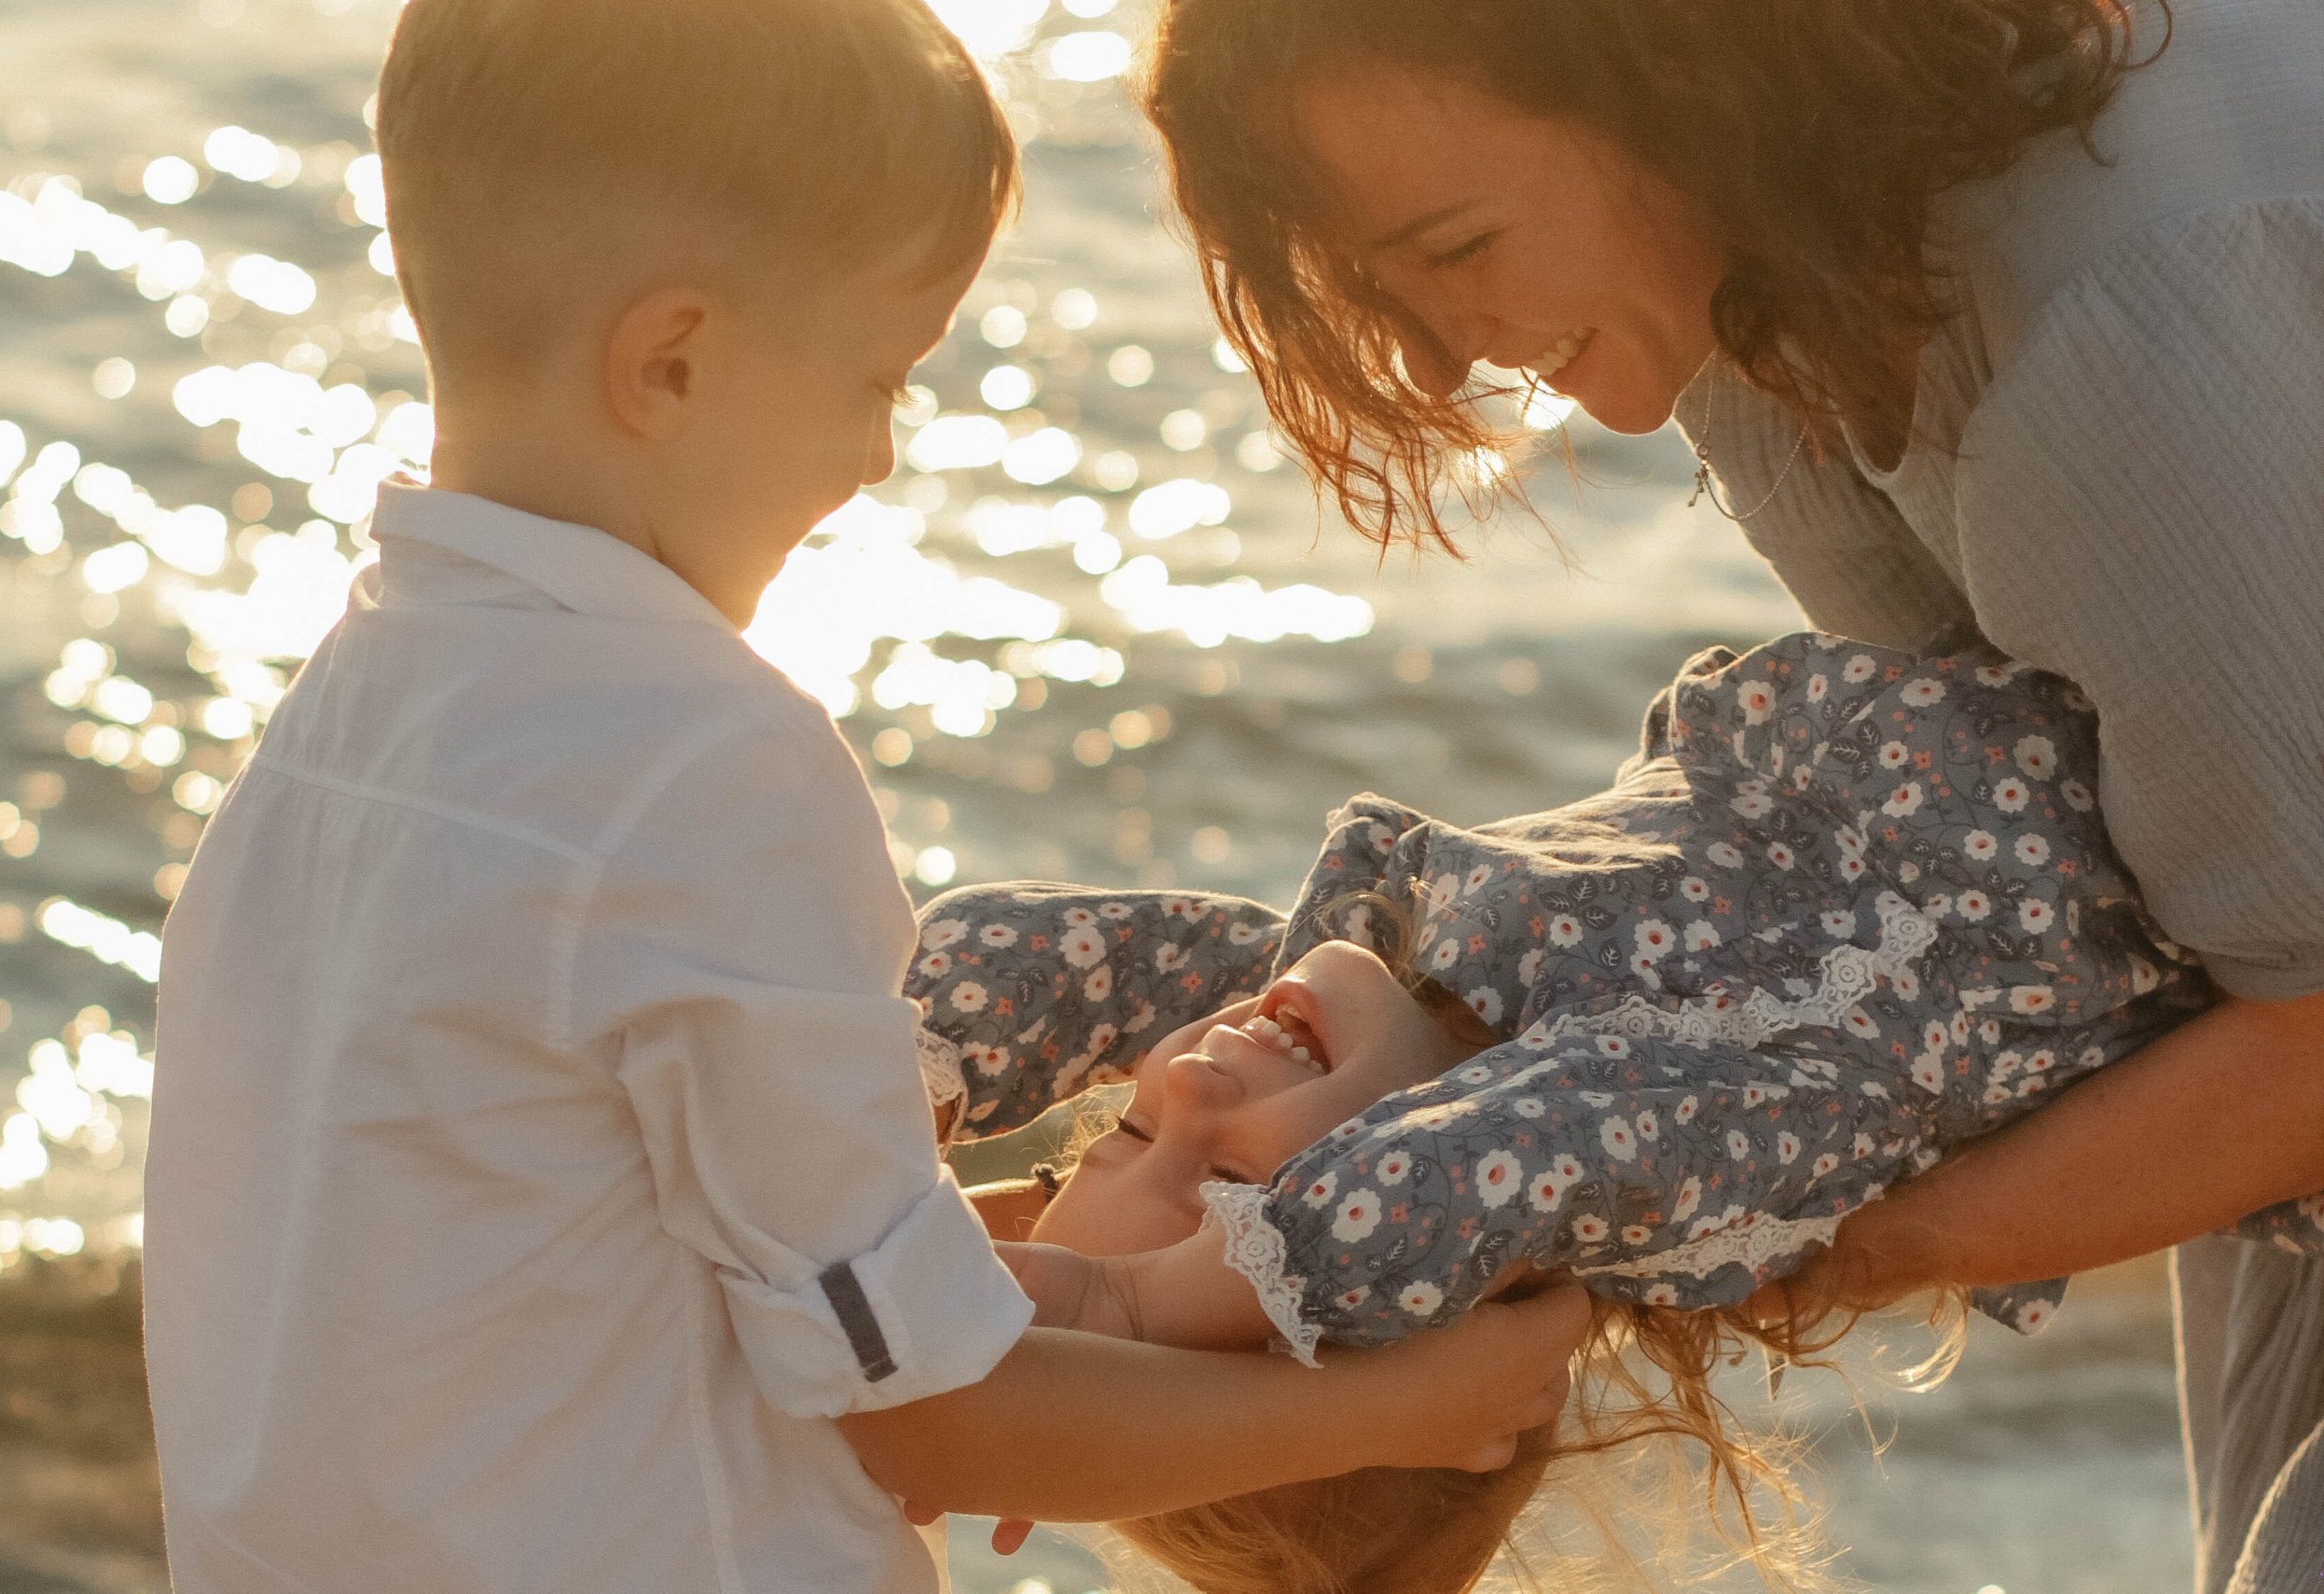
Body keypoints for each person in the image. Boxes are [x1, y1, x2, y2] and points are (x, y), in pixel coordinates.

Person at [139, 3, 1590, 1590]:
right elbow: (927, 1415)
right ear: (671, 360)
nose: (884, 456)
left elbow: (586, 1244)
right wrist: (1397, 1407)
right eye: (877, 376)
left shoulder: (332, 743)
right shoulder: (700, 758)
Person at [1136, 1, 2324, 1587]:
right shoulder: (1761, 297)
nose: (1431, 360)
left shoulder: (2110, 330)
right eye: (1379, 296)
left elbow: (2313, 1013)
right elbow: (2044, 874)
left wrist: (1826, 1246)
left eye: (1461, 244)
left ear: (1670, 70)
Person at [913, 629, 2223, 1592]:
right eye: (1237, 1211)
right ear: (1436, 1279)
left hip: (1999, 671)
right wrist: (1121, 1311)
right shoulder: (1634, 1153)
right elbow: (1463, 1175)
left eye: (1126, 1132)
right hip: (2175, 785)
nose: (1185, 1079)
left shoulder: (1376, 1028)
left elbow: (1086, 966)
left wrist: (898, 1096)